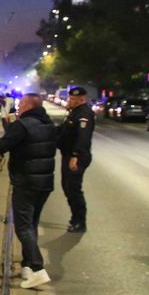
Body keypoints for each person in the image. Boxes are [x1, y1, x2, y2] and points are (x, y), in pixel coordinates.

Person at [0, 93, 56, 289]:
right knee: (32, 223)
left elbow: (4, 145)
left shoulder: (23, 124)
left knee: (23, 226)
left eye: (21, 104)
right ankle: (27, 266)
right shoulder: (47, 124)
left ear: (26, 105)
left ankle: (38, 268)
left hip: (25, 181)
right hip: (44, 182)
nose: (18, 107)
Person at [57, 86, 95, 233]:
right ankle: (75, 218)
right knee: (68, 187)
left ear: (82, 99)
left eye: (73, 99)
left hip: (76, 156)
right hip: (68, 155)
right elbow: (63, 131)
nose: (70, 101)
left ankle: (80, 221)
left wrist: (75, 156)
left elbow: (82, 138)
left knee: (73, 189)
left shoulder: (84, 114)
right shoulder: (74, 113)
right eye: (70, 98)